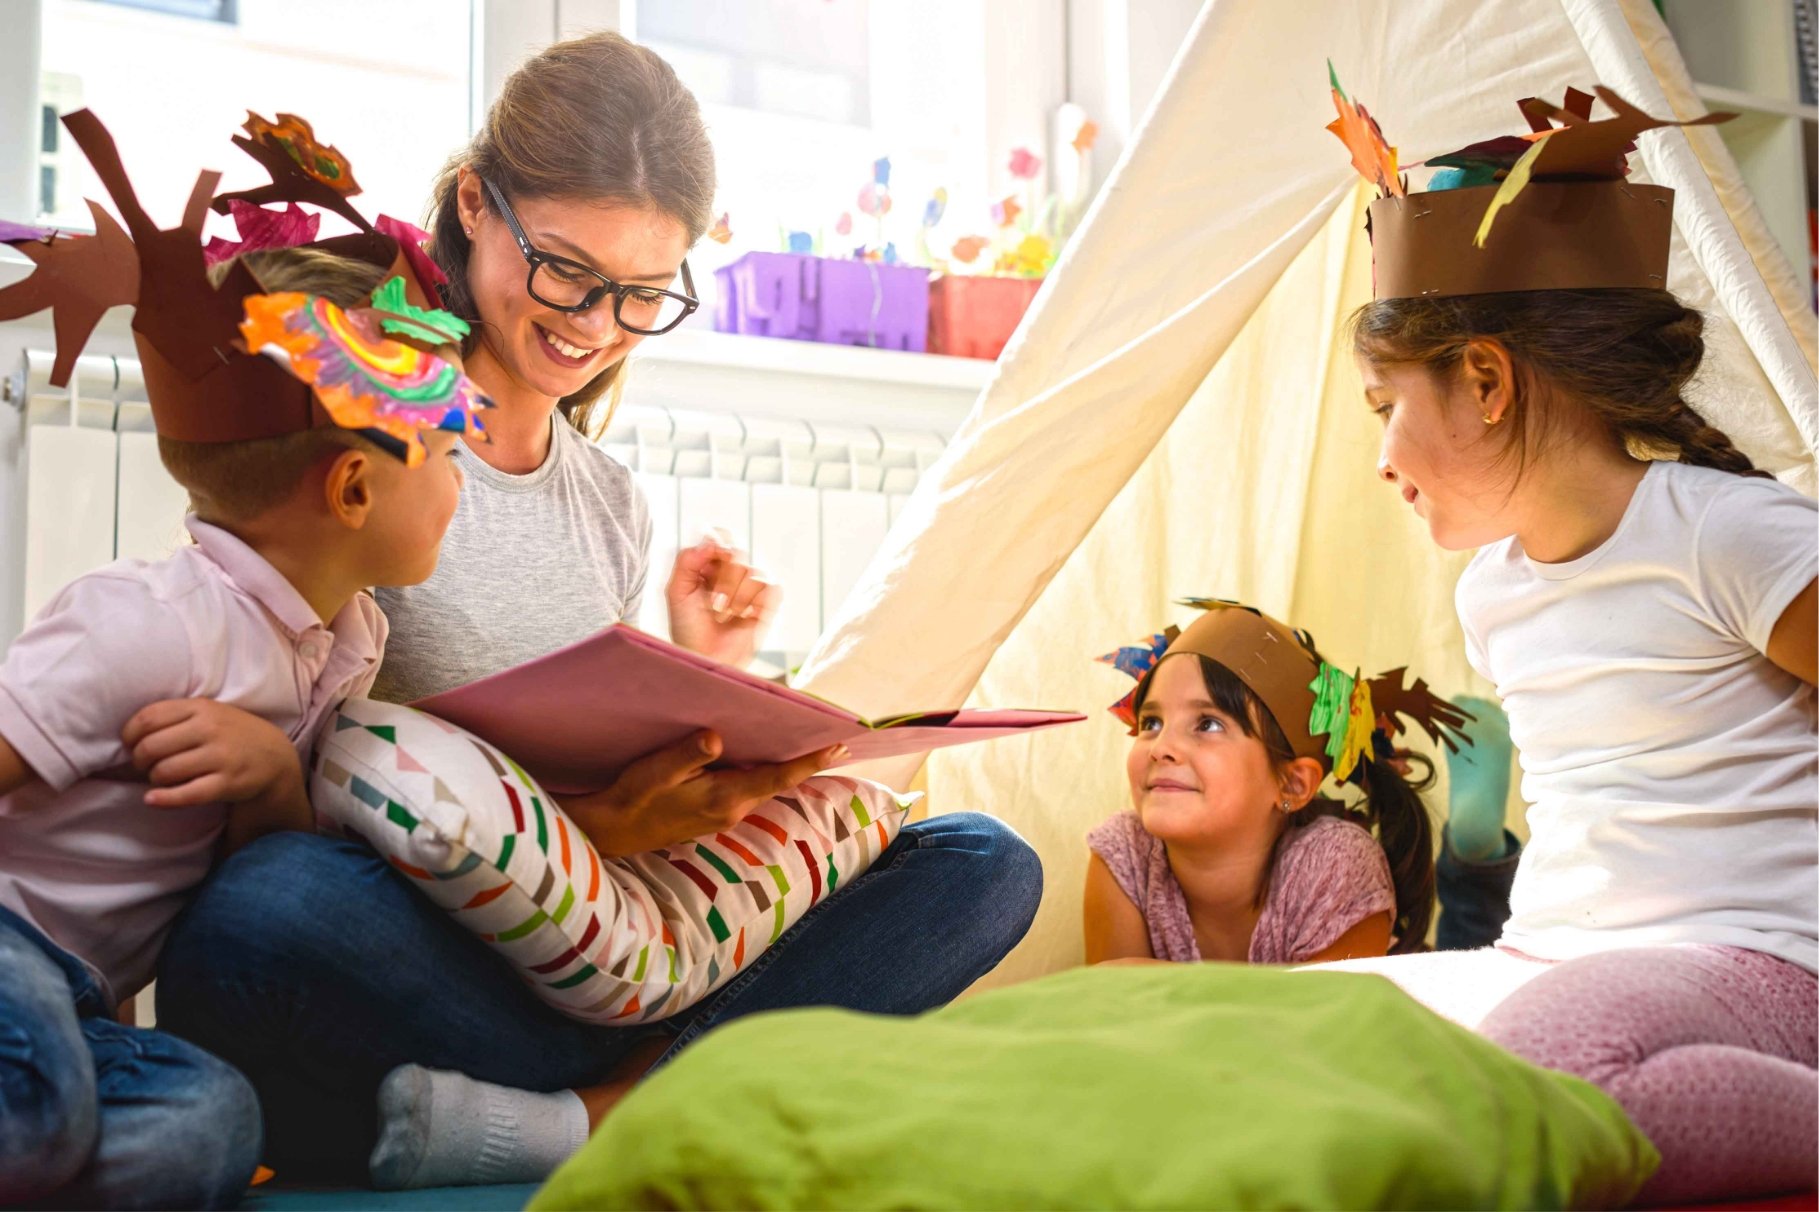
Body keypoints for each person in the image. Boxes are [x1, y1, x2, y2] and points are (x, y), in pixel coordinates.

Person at [157, 32, 1042, 1189]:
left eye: (640, 293)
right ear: (477, 207)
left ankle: (590, 1107)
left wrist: (702, 676)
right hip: (432, 949)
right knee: (268, 910)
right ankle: (650, 1091)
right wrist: (591, 828)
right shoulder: (364, 438)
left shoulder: (607, 500)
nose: (596, 322)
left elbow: (626, 822)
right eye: (568, 270)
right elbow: (299, 753)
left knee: (980, 861)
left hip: (611, 960)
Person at [1313, 80, 1818, 1203]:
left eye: (1382, 405)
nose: (1382, 456)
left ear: (1484, 379)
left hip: (1757, 967)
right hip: (1550, 959)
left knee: (1559, 1080)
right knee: (1271, 1034)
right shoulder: (1491, 592)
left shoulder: (1729, 535)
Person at [0, 108, 487, 1206]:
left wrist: (272, 778)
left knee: (212, 1126)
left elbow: (266, 877)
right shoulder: (144, 622)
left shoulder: (349, 641)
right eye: (450, 447)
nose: (465, 478)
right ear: (355, 489)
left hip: (85, 999)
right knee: (35, 1106)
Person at [1083, 602, 1468, 965]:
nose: (1161, 747)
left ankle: (1476, 853)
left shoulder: (1335, 864)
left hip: (1403, 1026)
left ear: (1293, 785)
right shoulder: (1124, 854)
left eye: (1208, 724)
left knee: (1476, 950)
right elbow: (1116, 1018)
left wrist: (1144, 980)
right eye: (1151, 723)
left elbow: (1324, 1022)